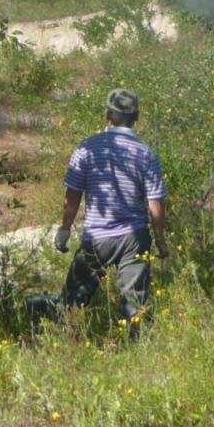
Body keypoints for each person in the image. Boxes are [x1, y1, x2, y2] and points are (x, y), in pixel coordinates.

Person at [51, 87, 168, 332]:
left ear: (108, 115)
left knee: (73, 300)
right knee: (135, 303)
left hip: (96, 237)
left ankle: (66, 342)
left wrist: (64, 229)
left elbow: (73, 195)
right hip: (134, 237)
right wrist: (160, 240)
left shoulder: (86, 148)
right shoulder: (146, 153)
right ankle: (138, 352)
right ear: (136, 117)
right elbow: (155, 202)